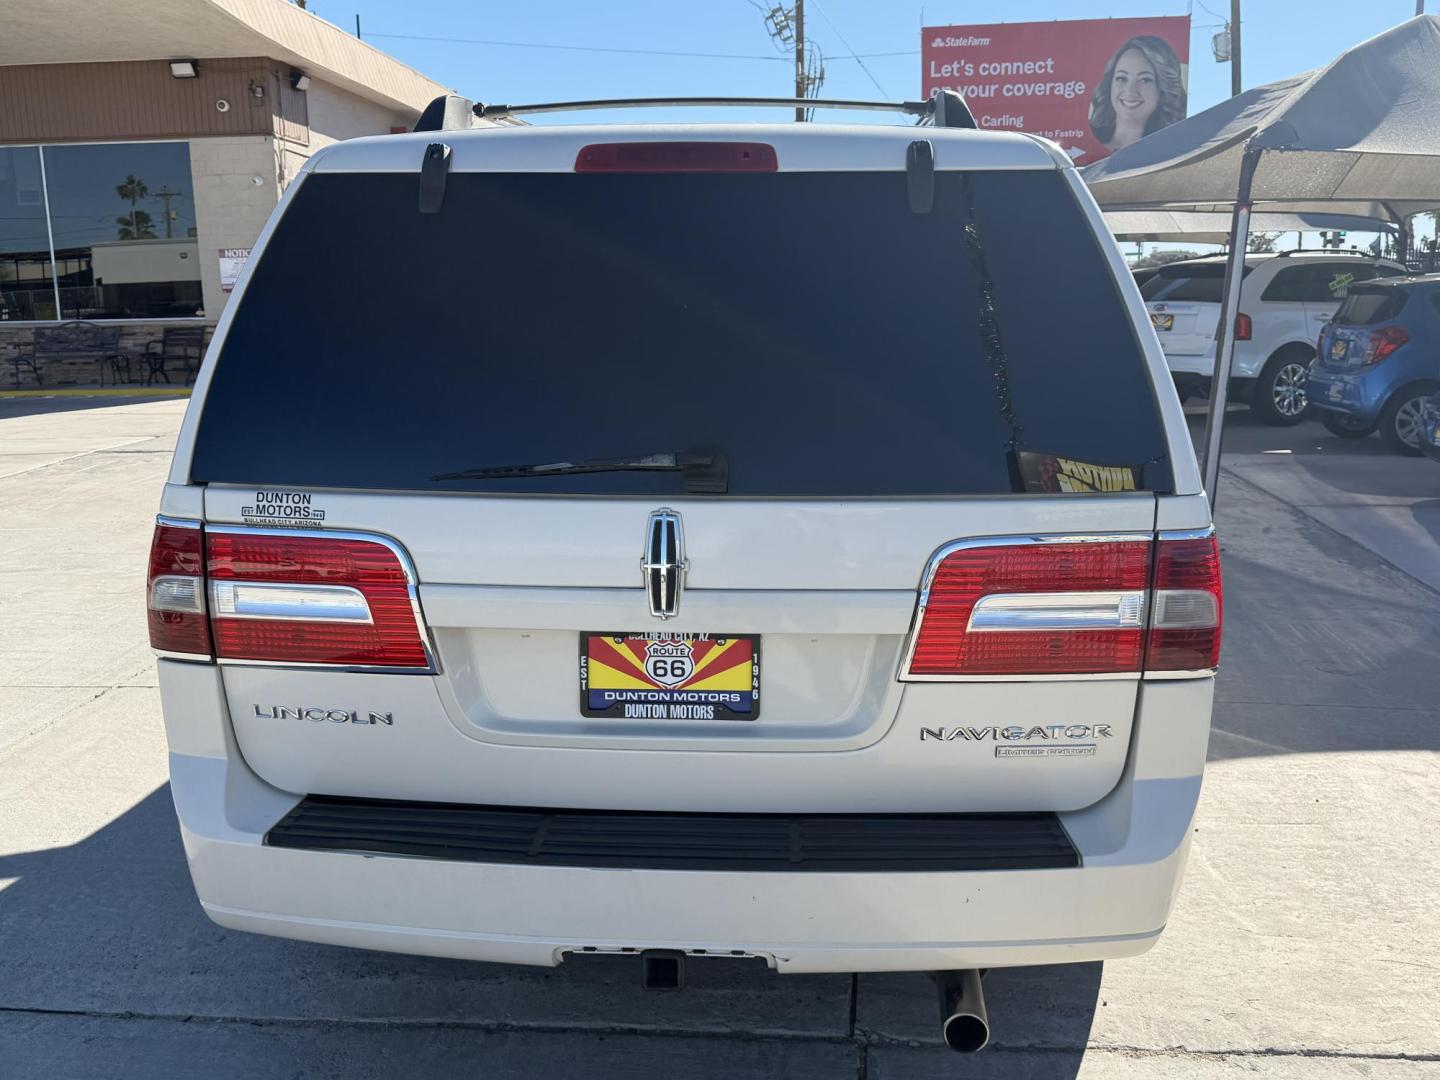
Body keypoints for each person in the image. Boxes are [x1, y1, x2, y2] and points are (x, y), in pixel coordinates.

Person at [1089, 36, 1187, 153]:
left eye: (1144, 80)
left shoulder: (1171, 152)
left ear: (1163, 88)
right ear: (1109, 84)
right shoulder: (1086, 145)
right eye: (1122, 78)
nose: (1130, 90)